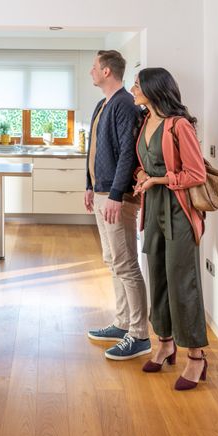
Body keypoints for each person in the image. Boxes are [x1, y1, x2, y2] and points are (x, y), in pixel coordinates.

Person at [132, 68, 208, 390]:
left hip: (178, 211)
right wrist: (141, 176)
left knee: (183, 283)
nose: (133, 88)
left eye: (138, 84)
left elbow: (197, 173)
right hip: (152, 213)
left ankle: (196, 357)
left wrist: (158, 180)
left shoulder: (180, 126)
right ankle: (164, 343)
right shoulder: (144, 121)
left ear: (153, 88)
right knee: (158, 280)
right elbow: (145, 163)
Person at [85, 50, 151, 360]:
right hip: (102, 192)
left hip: (117, 196)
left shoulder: (125, 104)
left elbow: (127, 152)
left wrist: (114, 194)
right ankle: (123, 322)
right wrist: (90, 186)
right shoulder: (103, 104)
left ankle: (139, 335)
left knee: (126, 264)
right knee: (113, 260)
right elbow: (95, 148)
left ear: (108, 71)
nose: (91, 72)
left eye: (94, 67)